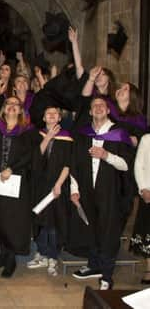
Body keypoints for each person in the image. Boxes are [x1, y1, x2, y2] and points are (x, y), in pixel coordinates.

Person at [70, 97, 135, 290]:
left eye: (102, 105)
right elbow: (74, 164)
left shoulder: (119, 134)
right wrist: (74, 190)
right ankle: (94, 265)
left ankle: (106, 275)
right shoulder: (83, 134)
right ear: (90, 112)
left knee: (108, 231)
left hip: (111, 191)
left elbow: (126, 165)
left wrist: (106, 156)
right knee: (91, 228)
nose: (98, 108)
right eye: (94, 106)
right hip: (88, 188)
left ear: (108, 110)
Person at [0, 91, 35, 278]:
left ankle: (11, 258)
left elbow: (30, 155)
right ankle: (3, 253)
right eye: (8, 104)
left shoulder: (28, 131)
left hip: (17, 180)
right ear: (4, 110)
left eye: (16, 104)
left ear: (21, 110)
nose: (12, 106)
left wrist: (12, 168)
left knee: (13, 220)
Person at [28, 106, 72, 277]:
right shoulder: (35, 135)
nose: (52, 115)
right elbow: (35, 157)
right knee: (39, 221)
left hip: (57, 186)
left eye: (55, 113)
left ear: (59, 118)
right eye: (48, 113)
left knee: (54, 223)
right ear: (44, 118)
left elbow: (68, 164)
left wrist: (59, 184)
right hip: (38, 185)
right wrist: (48, 137)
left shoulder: (67, 138)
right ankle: (41, 253)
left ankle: (52, 256)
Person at [130, 133, 150, 284]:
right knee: (148, 233)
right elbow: (139, 164)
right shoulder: (146, 139)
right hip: (149, 193)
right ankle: (149, 270)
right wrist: (143, 188)